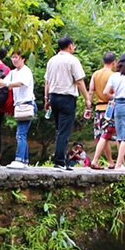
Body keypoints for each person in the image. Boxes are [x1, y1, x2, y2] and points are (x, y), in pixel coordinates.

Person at [44, 36, 88, 169]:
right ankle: (60, 161)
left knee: (59, 130)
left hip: (53, 97)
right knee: (64, 131)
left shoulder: (52, 61)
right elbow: (79, 81)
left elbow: (47, 81)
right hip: (67, 98)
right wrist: (87, 99)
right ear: (70, 46)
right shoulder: (73, 60)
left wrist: (46, 99)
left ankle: (60, 159)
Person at [101, 55, 125, 169]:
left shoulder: (114, 76)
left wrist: (113, 96)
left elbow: (105, 92)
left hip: (117, 105)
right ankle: (118, 164)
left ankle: (122, 163)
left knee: (120, 136)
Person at [4, 48, 36, 166]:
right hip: (19, 106)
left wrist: (6, 84)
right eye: (12, 57)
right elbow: (5, 82)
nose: (14, 60)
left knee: (20, 134)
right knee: (22, 134)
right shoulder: (13, 72)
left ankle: (19, 159)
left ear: (23, 59)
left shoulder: (26, 71)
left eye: (16, 57)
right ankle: (25, 161)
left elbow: (20, 83)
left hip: (27, 105)